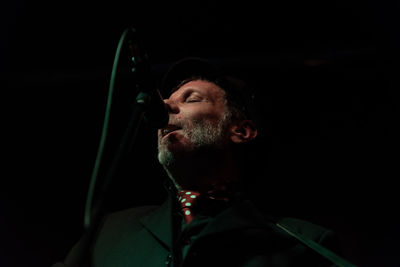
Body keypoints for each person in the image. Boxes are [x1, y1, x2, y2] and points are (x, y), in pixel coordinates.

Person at [53, 57, 351, 267]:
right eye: (168, 100)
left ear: (241, 131)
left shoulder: (302, 244)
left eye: (191, 99)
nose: (166, 106)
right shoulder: (109, 232)